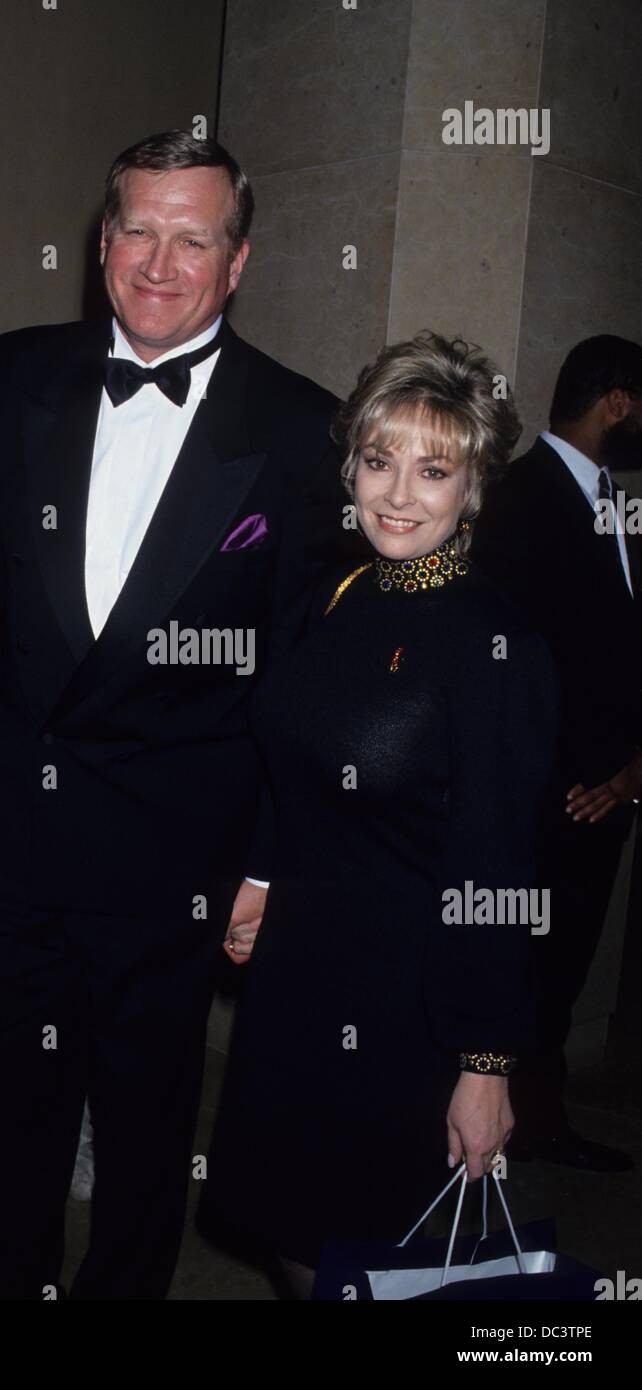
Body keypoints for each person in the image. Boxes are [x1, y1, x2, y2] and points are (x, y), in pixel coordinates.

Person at [0, 130, 351, 1300]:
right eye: (137, 228)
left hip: (179, 854)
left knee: (144, 1144)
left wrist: (270, 858)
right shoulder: (20, 372)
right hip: (31, 847)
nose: (159, 260)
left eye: (194, 236)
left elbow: (301, 671)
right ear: (101, 243)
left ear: (237, 262)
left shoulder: (298, 426)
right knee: (8, 1125)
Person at [200, 332, 559, 1295]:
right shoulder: (341, 593)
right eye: (378, 459)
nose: (398, 494)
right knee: (288, 1227)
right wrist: (262, 876)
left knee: (366, 1258)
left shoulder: (496, 647)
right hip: (298, 980)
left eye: (432, 469)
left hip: (409, 1003)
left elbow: (500, 874)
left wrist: (487, 1065)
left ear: (473, 487)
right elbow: (290, 756)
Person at [473, 335, 642, 1172]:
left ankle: (538, 1121)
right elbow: (511, 659)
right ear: (616, 400)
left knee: (563, 967)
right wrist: (585, 775)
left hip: (605, 795)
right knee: (528, 970)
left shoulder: (614, 501)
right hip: (552, 801)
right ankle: (516, 1127)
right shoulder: (522, 498)